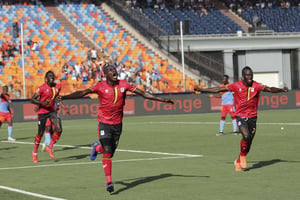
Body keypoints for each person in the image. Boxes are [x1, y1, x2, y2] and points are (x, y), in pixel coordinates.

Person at [60, 65, 174, 194]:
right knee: (108, 151)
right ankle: (109, 182)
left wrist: (162, 100)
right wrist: (64, 97)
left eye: (114, 69)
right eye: (110, 70)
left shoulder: (124, 84)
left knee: (109, 152)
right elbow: (83, 92)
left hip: (118, 124)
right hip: (104, 123)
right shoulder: (100, 86)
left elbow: (143, 93)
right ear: (105, 74)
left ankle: (96, 148)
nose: (113, 71)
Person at [194, 66, 288, 171]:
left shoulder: (256, 85)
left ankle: (239, 160)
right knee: (246, 136)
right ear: (243, 76)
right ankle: (242, 156)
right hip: (240, 115)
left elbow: (270, 89)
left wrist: (281, 90)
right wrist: (203, 89)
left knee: (248, 144)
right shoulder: (236, 85)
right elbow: (219, 89)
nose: (250, 77)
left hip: (252, 117)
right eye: (247, 75)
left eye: (251, 75)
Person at [31, 71, 62, 163]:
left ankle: (50, 147)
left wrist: (58, 99)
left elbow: (55, 96)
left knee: (59, 129)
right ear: (46, 78)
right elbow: (32, 99)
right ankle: (34, 152)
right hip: (42, 112)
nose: (52, 77)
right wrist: (42, 103)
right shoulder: (42, 88)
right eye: (49, 76)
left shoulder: (57, 87)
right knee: (40, 133)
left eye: (53, 76)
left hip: (52, 110)